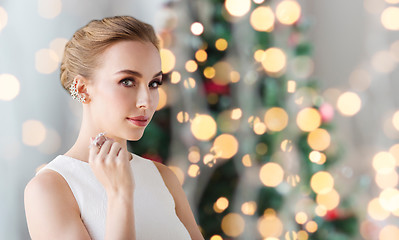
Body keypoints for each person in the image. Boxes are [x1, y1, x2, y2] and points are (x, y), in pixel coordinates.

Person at [24, 16, 204, 240]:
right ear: (82, 89)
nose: (146, 101)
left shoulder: (163, 177)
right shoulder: (49, 188)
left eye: (154, 83)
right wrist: (120, 195)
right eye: (127, 81)